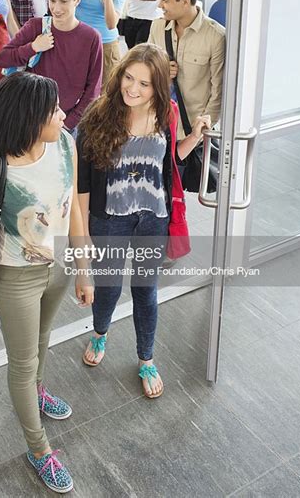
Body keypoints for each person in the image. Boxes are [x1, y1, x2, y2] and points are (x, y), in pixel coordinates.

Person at [0, 73, 93, 494]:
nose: (62, 114)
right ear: (29, 118)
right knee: (21, 363)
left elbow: (73, 207)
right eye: (53, 110)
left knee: (42, 340)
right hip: (16, 277)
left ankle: (38, 394)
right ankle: (39, 450)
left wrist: (81, 268)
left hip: (56, 267)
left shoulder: (65, 146)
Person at [77, 44, 210, 398]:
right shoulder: (98, 115)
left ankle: (146, 359)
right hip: (109, 220)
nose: (133, 89)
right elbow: (83, 181)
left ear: (158, 88)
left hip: (152, 218)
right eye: (129, 78)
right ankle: (100, 332)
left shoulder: (166, 112)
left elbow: (168, 163)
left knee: (145, 291)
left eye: (145, 84)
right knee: (108, 287)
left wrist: (194, 137)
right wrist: (85, 233)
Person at [0, 0, 103, 134]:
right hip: (30, 117)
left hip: (66, 123)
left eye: (64, 1)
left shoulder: (91, 38)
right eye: (52, 1)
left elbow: (93, 90)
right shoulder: (35, 27)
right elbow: (3, 59)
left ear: (77, 0)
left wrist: (67, 123)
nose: (56, 8)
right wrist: (33, 47)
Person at [148, 0, 225, 139]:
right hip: (156, 123)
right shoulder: (157, 27)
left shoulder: (216, 37)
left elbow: (218, 92)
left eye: (164, 0)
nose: (159, 5)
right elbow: (145, 70)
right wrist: (161, 71)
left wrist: (200, 133)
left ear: (185, 2)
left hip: (190, 131)